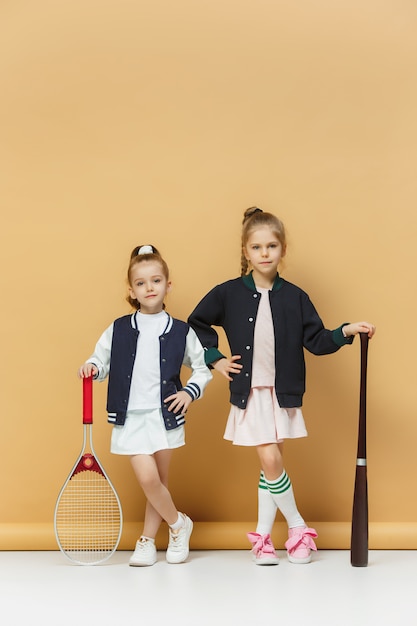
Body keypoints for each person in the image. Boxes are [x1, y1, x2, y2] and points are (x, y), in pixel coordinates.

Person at [188, 207, 376, 565]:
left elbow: (317, 340)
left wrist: (346, 331)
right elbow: (196, 324)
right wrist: (215, 358)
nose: (264, 254)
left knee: (269, 468)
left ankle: (262, 540)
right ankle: (298, 527)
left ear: (283, 249)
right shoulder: (228, 293)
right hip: (251, 391)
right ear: (246, 251)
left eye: (271, 246)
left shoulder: (295, 296)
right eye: (256, 247)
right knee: (271, 459)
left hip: (283, 393)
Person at [78, 245, 212, 567]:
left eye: (155, 280)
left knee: (159, 482)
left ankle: (148, 540)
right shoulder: (119, 328)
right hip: (131, 416)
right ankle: (180, 525)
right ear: (131, 290)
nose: (149, 288)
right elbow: (101, 359)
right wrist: (93, 367)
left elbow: (202, 367)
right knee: (149, 480)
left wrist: (189, 392)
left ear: (168, 285)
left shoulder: (181, 330)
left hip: (166, 415)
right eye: (141, 283)